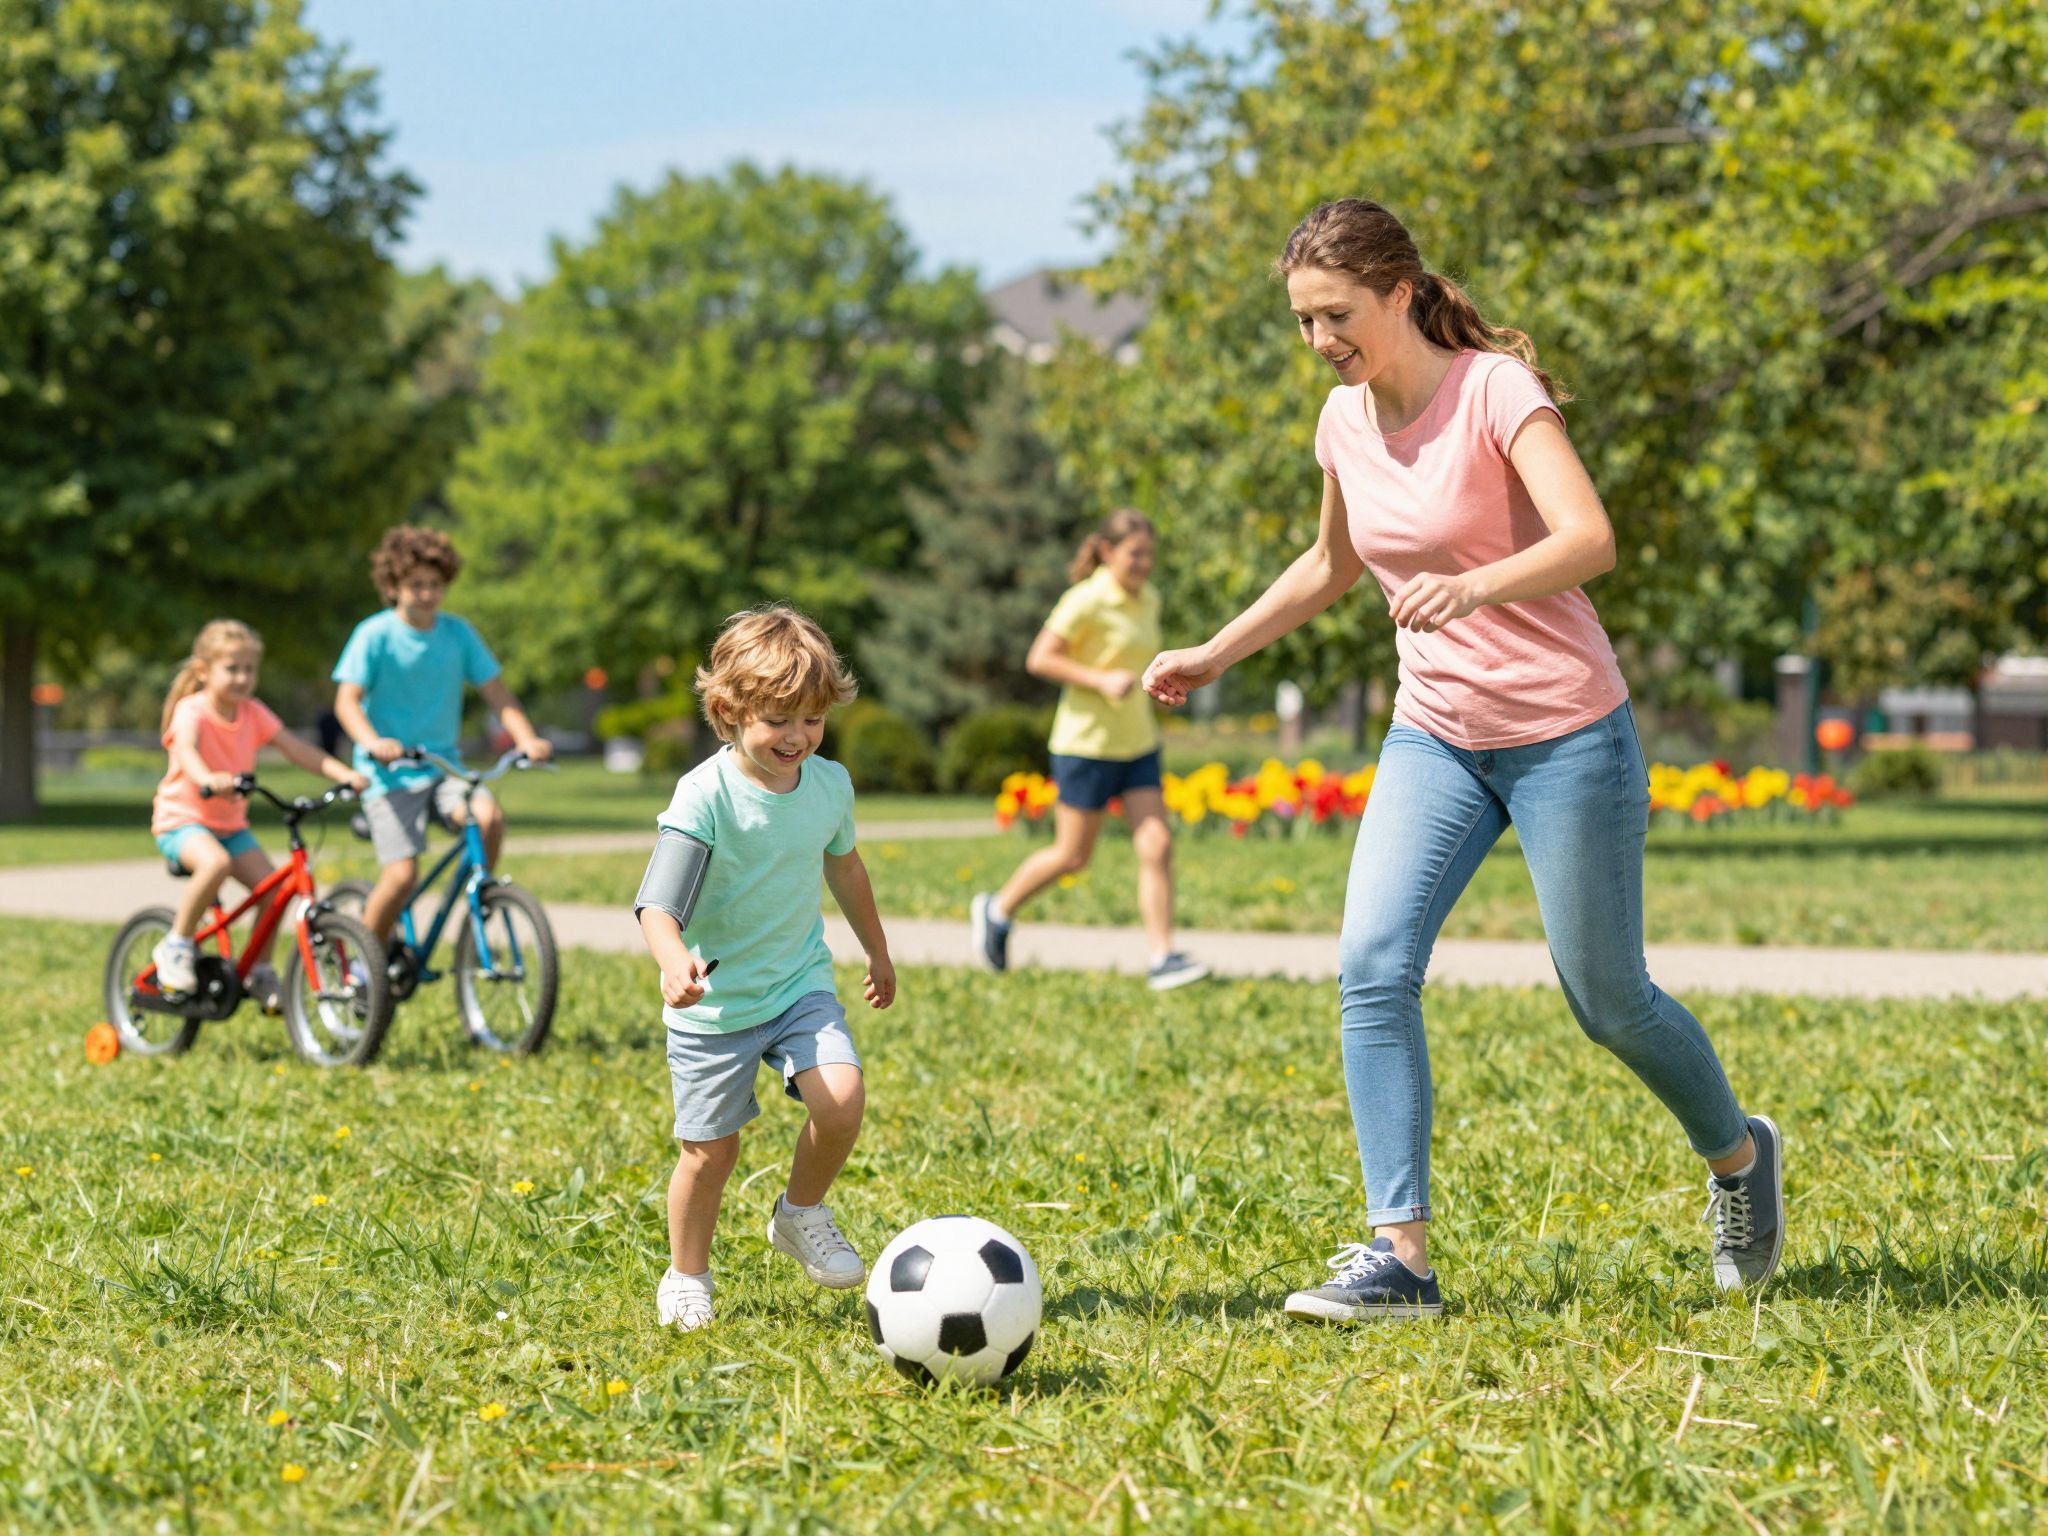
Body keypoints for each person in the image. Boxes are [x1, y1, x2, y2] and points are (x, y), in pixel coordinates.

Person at [1142, 199, 1782, 1321]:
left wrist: (1474, 584)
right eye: (1299, 322)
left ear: (1397, 290)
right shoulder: (1343, 422)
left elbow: (1590, 538)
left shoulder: (1494, 391)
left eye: (1334, 315)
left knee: (1607, 1001)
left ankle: (1736, 1159)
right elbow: (1330, 563)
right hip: (1434, 731)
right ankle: (1401, 1257)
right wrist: (1213, 651)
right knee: (1371, 968)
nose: (1318, 342)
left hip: (1564, 730)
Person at [636, 605, 895, 1332]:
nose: (798, 737)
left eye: (812, 720)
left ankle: (800, 1213)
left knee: (841, 1100)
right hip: (714, 1006)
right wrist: (670, 960)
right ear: (729, 710)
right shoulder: (706, 795)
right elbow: (658, 903)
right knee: (710, 1152)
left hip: (797, 986)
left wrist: (877, 949)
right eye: (779, 718)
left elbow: (845, 869)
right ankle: (687, 1274)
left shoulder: (828, 786)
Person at [971, 509, 1208, 992]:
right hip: (1086, 746)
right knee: (1072, 855)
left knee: (1157, 844)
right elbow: (1039, 658)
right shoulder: (1085, 599)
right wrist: (1099, 679)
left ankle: (1163, 956)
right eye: (1134, 554)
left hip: (1137, 742)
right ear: (1106, 551)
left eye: (1149, 556)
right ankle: (997, 910)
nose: (1144, 564)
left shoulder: (1151, 600)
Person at [331, 526, 553, 945]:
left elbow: (498, 695)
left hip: (442, 767)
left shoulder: (457, 633)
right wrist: (373, 742)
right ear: (393, 586)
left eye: (435, 584)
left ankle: (479, 903)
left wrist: (526, 738)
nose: (427, 594)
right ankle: (364, 963)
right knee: (401, 876)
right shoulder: (374, 634)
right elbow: (347, 701)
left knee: (489, 819)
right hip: (389, 774)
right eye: (416, 585)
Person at [149, 619, 368, 1007]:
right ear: (203, 670)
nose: (242, 677)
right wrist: (207, 777)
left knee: (277, 891)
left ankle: (259, 969)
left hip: (231, 826)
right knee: (213, 864)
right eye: (232, 668)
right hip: (183, 821)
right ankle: (177, 944)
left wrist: (344, 773)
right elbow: (186, 749)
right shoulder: (193, 710)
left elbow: (296, 749)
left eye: (249, 669)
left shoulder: (253, 712)